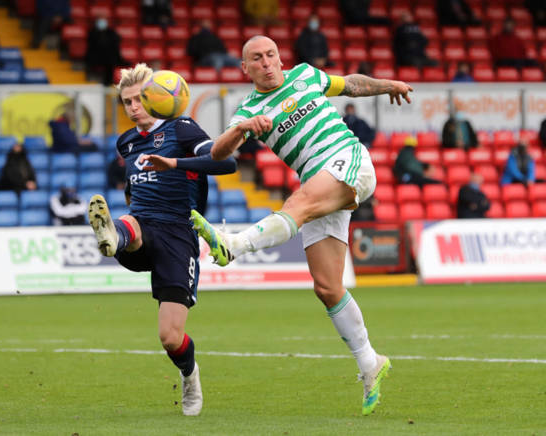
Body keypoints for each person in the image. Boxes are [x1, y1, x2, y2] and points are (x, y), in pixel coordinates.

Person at [189, 36, 414, 416]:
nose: (267, 62)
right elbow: (218, 152)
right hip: (318, 179)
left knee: (298, 203)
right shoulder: (248, 109)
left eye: (271, 54)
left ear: (280, 57)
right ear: (245, 69)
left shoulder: (306, 75)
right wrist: (243, 127)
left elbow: (350, 83)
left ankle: (234, 245)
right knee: (327, 287)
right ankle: (370, 363)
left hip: (348, 159)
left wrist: (388, 85)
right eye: (257, 59)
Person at [87, 63, 237, 416]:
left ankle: (189, 374)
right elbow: (131, 187)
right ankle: (113, 234)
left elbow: (226, 164)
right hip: (141, 225)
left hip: (178, 233)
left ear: (156, 96)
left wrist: (174, 163)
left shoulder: (181, 129)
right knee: (133, 224)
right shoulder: (126, 142)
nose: (134, 106)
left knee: (170, 336)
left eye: (139, 98)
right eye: (127, 102)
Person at [85, 16, 122, 86]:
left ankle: (109, 82)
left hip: (109, 58)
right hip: (96, 56)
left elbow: (117, 40)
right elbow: (92, 45)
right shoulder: (93, 32)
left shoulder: (111, 32)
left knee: (111, 60)